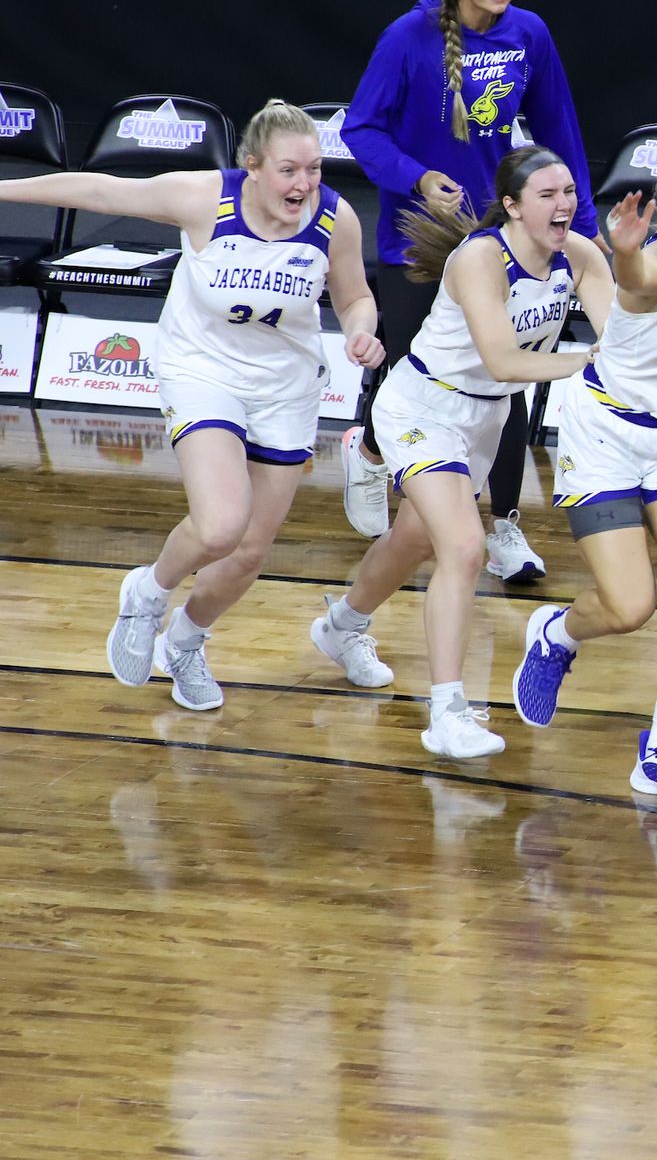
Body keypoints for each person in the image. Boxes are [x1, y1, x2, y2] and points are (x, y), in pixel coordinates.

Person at [0, 100, 382, 710]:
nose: (305, 184)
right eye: (289, 170)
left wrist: (362, 328)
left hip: (286, 386)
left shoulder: (334, 219)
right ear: (252, 167)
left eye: (313, 169)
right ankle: (147, 594)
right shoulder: (204, 198)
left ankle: (184, 642)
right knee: (221, 524)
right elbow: (98, 190)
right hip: (201, 370)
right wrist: (6, 188)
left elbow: (356, 293)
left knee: (251, 550)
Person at [312, 147, 606, 761]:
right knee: (466, 547)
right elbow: (505, 360)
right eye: (548, 195)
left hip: (485, 417)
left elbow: (621, 337)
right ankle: (447, 711)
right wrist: (591, 366)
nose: (564, 204)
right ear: (513, 207)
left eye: (569, 192)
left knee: (414, 540)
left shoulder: (579, 256)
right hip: (424, 406)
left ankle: (341, 626)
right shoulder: (481, 258)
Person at [339, 0, 599, 586]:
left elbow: (560, 128)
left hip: (502, 236)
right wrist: (417, 177)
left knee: (504, 375)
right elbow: (360, 128)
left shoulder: (529, 33)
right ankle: (370, 448)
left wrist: (584, 225)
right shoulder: (409, 37)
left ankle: (504, 526)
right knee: (415, 369)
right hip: (420, 236)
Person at [509, 163, 657, 807]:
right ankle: (556, 634)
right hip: (608, 441)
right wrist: (624, 251)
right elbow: (640, 280)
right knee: (630, 607)